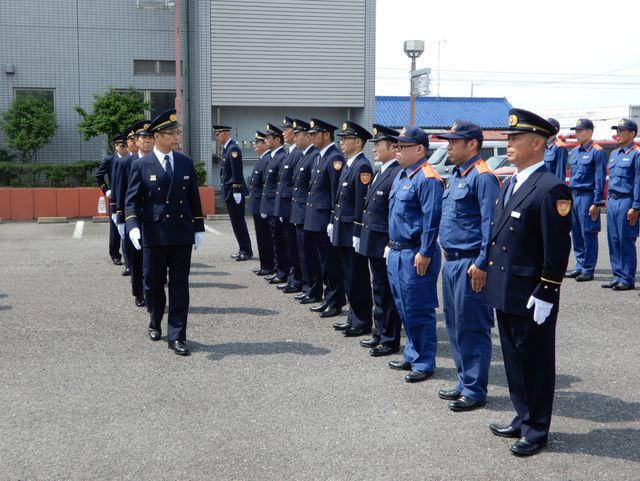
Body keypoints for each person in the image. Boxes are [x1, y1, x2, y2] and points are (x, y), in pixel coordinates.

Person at [484, 108, 572, 456]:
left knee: (535, 361)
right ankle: (523, 416)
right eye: (508, 138)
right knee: (513, 359)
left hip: (531, 293)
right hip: (506, 289)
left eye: (515, 139)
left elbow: (557, 246)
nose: (509, 144)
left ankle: (538, 429)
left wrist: (548, 289)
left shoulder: (551, 188)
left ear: (538, 143)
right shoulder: (511, 182)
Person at [125, 108, 205, 356]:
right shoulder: (141, 165)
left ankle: (177, 335)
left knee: (180, 286)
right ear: (158, 135)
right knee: (153, 283)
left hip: (181, 233)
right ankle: (154, 319)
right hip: (154, 233)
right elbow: (131, 201)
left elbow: (193, 197)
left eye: (178, 132)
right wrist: (132, 226)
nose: (176, 137)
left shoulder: (185, 162)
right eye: (172, 133)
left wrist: (199, 227)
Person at [436, 120, 501, 411]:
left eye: (454, 142)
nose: (448, 146)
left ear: (472, 144)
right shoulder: (457, 174)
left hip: (471, 263)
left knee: (473, 327)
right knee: (454, 325)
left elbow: (491, 226)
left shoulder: (483, 177)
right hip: (451, 262)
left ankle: (475, 389)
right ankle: (464, 381)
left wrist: (483, 264)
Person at [386, 126, 444, 383]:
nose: (397, 150)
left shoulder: (428, 178)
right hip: (398, 251)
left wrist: (425, 251)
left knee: (418, 309)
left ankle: (424, 360)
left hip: (416, 253)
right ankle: (412, 353)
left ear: (419, 149)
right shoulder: (402, 175)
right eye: (397, 146)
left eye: (402, 147)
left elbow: (431, 220)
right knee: (403, 306)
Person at [355, 124, 403, 356]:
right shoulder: (381, 171)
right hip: (373, 240)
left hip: (384, 242)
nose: (374, 149)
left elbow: (393, 214)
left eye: (378, 144)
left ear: (393, 148)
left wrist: (388, 243)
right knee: (378, 289)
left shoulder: (396, 173)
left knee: (387, 292)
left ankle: (389, 338)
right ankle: (379, 332)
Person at [330, 121, 374, 336]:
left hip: (351, 230)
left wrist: (358, 231)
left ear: (358, 142)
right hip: (342, 228)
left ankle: (362, 320)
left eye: (346, 139)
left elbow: (360, 203)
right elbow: (340, 199)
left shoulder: (362, 166)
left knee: (357, 277)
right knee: (348, 276)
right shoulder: (350, 164)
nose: (342, 143)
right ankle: (352, 316)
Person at [304, 118, 346, 318]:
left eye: (314, 134)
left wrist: (332, 220)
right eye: (310, 134)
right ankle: (328, 299)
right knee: (322, 262)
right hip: (315, 218)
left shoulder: (334, 158)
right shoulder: (319, 157)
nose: (311, 137)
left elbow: (335, 193)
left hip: (324, 219)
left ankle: (335, 301)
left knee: (331, 263)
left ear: (326, 135)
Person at [116, 120, 151, 307]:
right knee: (136, 258)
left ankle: (151, 288)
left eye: (150, 137)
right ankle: (139, 291)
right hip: (134, 218)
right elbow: (121, 191)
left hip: (154, 218)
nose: (147, 141)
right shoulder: (126, 163)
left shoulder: (159, 160)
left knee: (153, 258)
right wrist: (120, 217)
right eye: (143, 137)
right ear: (136, 141)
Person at [566, 118, 606, 282]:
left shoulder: (597, 151)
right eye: (576, 131)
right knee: (576, 233)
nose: (577, 133)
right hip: (574, 196)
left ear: (590, 131)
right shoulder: (575, 152)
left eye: (580, 130)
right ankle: (580, 265)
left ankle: (588, 268)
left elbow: (599, 178)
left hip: (587, 196)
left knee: (588, 232)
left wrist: (596, 203)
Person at [602, 118, 640, 291]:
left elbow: (639, 181)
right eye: (617, 130)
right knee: (613, 239)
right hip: (613, 200)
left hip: (626, 201)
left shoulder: (637, 154)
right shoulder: (615, 154)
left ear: (632, 133)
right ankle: (617, 275)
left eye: (622, 130)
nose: (618, 133)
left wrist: (636, 206)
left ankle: (627, 278)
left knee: (626, 240)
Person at [289, 119, 323, 305]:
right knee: (303, 252)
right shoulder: (304, 155)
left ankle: (313, 288)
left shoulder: (314, 156)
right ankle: (308, 286)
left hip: (307, 212)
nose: (295, 138)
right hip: (300, 211)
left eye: (298, 135)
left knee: (309, 254)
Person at [214, 125, 253, 261]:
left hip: (234, 191)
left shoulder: (233, 149)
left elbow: (236, 171)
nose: (216, 137)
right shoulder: (227, 149)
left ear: (225, 134)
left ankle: (246, 250)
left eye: (218, 134)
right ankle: (242, 248)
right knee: (236, 223)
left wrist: (237, 189)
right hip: (229, 191)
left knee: (239, 222)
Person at [274, 117, 304, 293]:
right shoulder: (290, 153)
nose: (284, 133)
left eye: (287, 130)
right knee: (289, 244)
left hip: (291, 206)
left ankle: (296, 278)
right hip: (286, 206)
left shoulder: (297, 154)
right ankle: (293, 277)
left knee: (293, 245)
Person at [261, 123, 290, 285]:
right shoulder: (273, 156)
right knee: (275, 240)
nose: (266, 141)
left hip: (275, 205)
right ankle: (280, 269)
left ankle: (283, 270)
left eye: (268, 138)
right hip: (271, 205)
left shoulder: (281, 157)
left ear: (277, 140)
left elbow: (280, 185)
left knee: (280, 241)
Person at [96, 134, 127, 265]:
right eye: (122, 145)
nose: (125, 148)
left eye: (126, 145)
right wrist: (106, 190)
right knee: (115, 229)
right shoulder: (110, 160)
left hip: (129, 197)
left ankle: (130, 257)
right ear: (116, 147)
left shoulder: (133, 158)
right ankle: (115, 255)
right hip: (115, 198)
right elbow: (99, 176)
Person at [248, 131, 276, 276]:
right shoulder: (262, 159)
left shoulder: (266, 160)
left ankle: (268, 265)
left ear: (265, 145)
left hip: (262, 204)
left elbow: (266, 184)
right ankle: (265, 264)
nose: (255, 146)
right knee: (261, 236)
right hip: (258, 203)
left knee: (265, 237)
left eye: (258, 143)